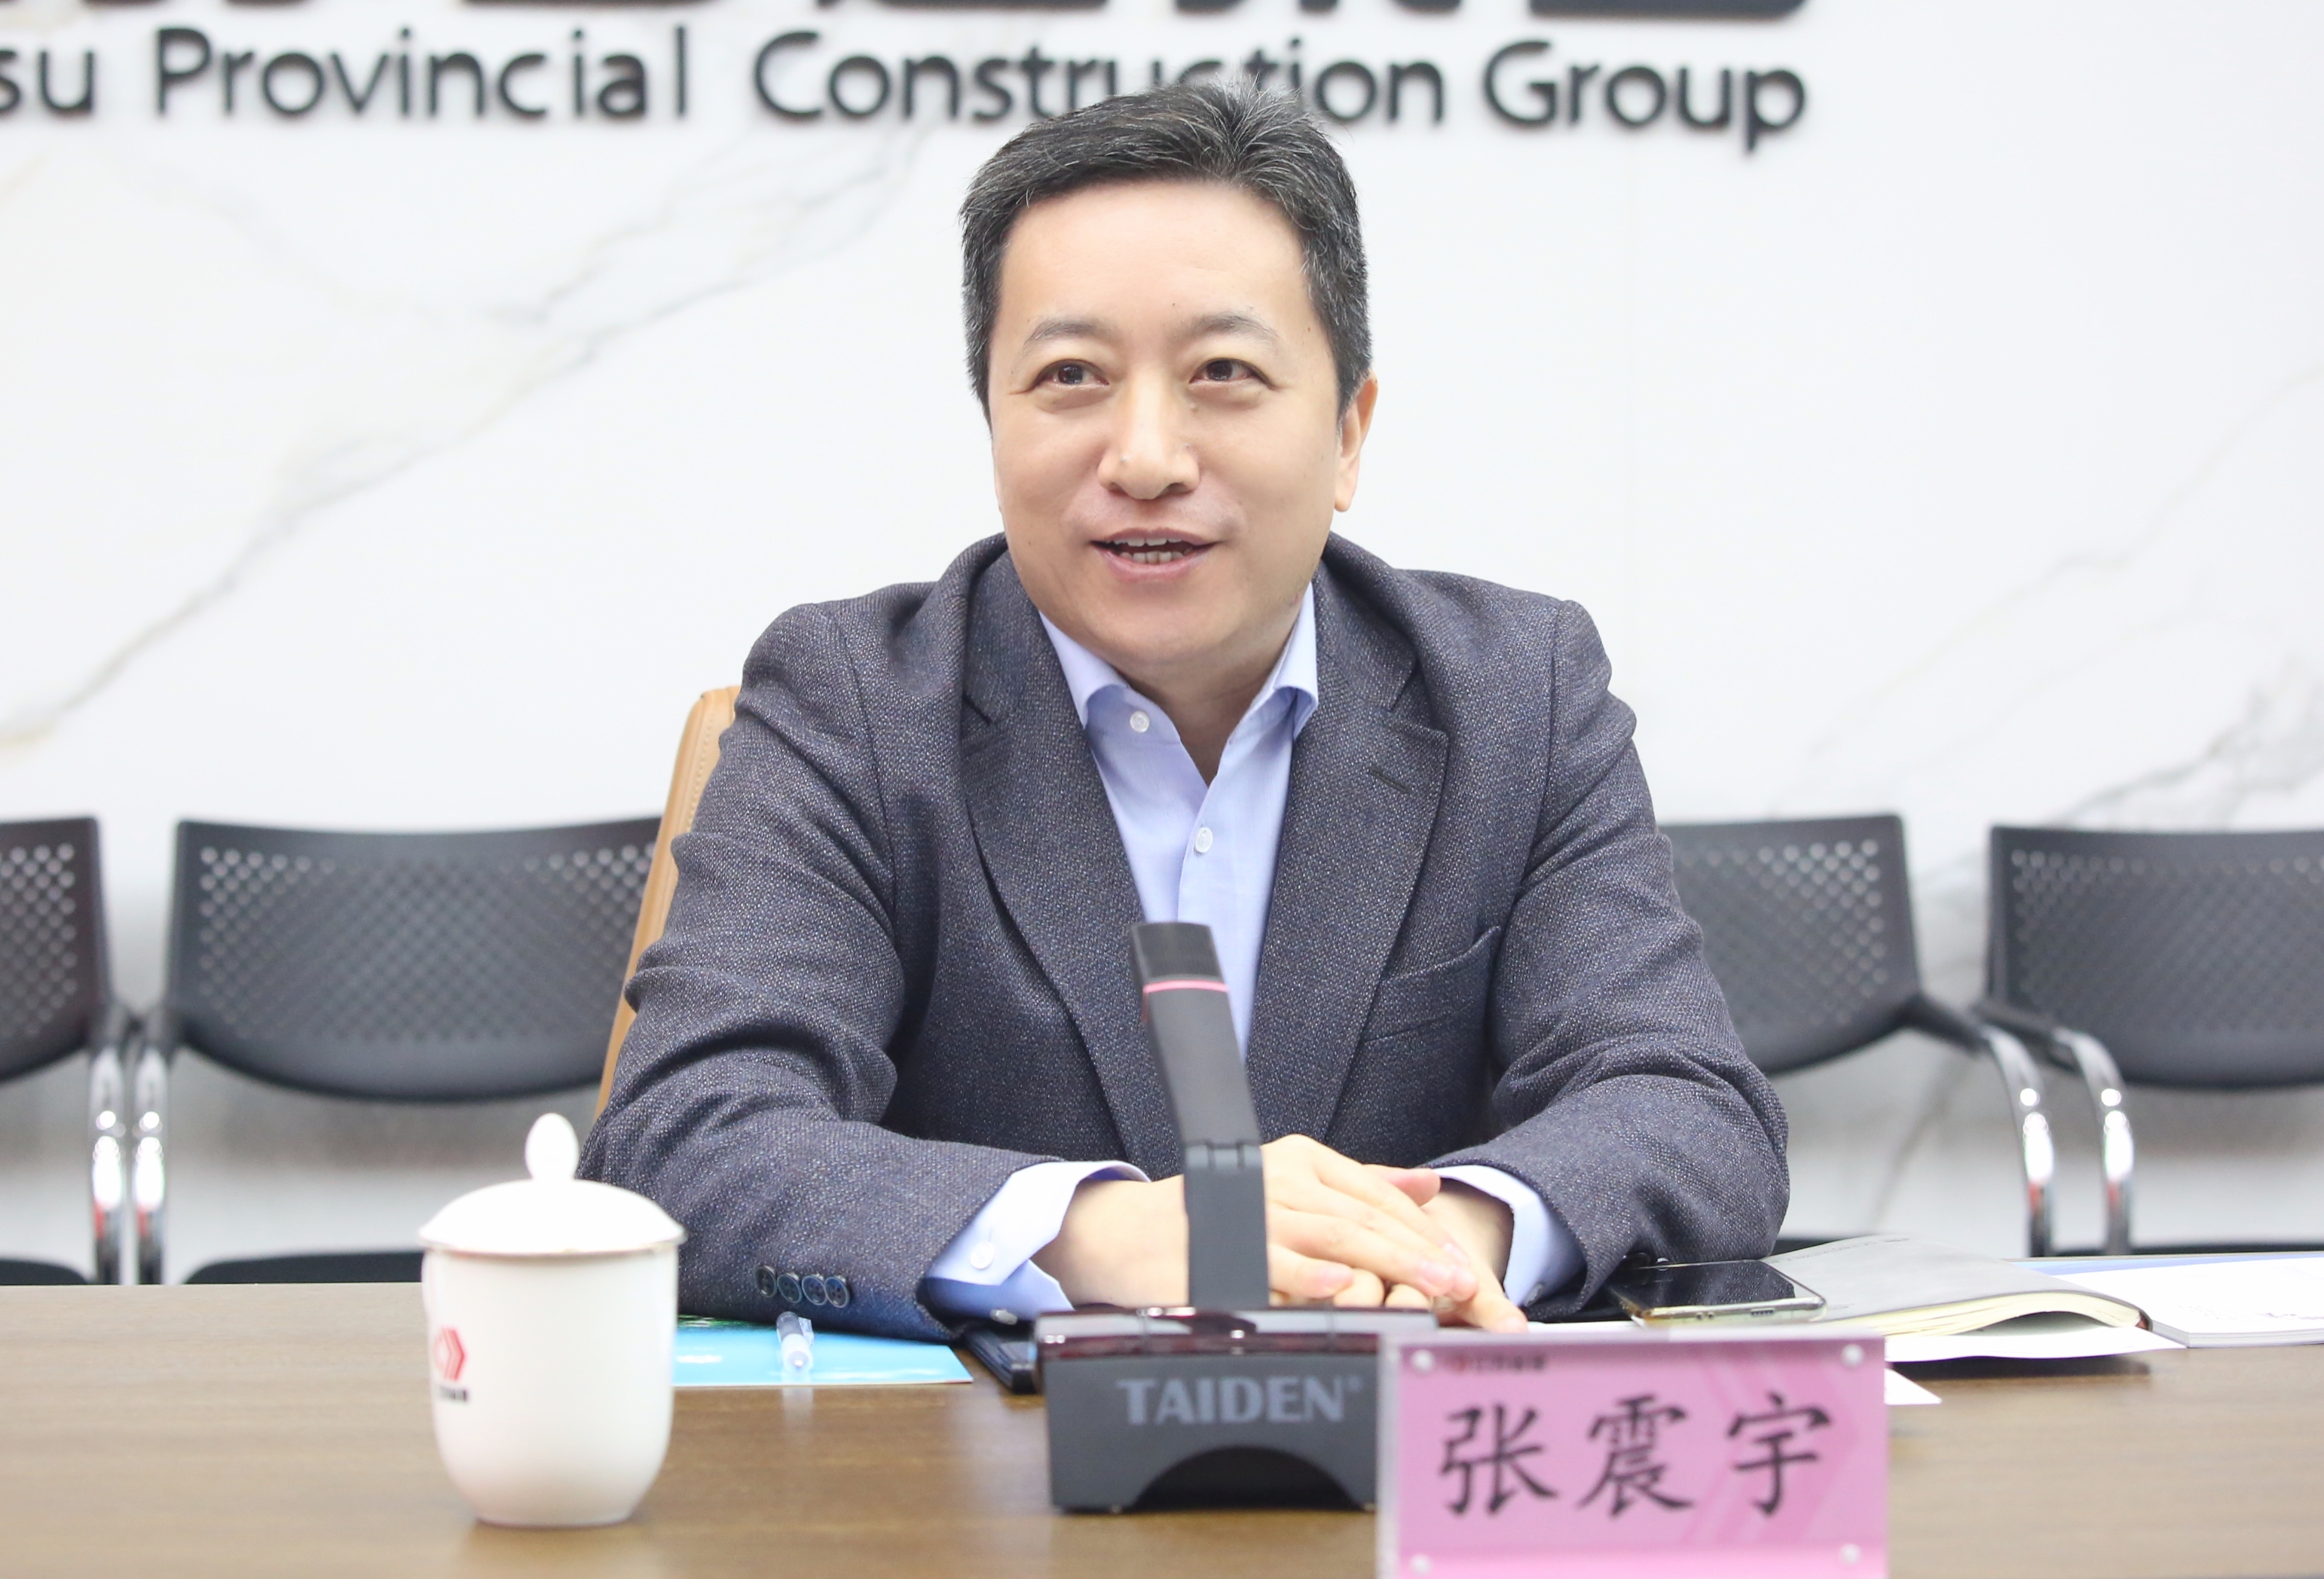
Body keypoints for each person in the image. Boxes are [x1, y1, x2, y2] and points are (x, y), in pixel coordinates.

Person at [583, 84, 1787, 1339]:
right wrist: (1102, 1234)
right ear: (992, 420)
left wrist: (1429, 1249)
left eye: (1223, 372)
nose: (1147, 457)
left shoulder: (1516, 695)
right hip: (992, 1457)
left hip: (1403, 1447)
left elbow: (1689, 1105)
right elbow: (686, 1137)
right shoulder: (855, 705)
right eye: (1070, 376)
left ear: (1349, 433)